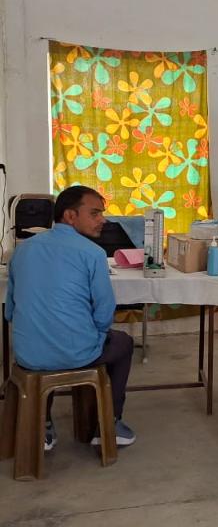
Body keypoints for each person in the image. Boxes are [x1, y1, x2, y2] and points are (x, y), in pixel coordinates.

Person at [4, 186, 136, 450]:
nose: (103, 220)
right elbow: (104, 311)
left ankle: (43, 426)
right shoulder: (92, 253)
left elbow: (9, 311)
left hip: (28, 355)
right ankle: (108, 424)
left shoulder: (22, 251)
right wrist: (96, 336)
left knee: (49, 347)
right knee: (123, 343)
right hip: (76, 352)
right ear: (70, 215)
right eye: (95, 213)